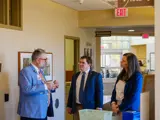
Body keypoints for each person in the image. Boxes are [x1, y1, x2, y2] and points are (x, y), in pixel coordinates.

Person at [17, 48, 59, 120]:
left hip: (42, 111)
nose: (47, 62)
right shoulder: (25, 72)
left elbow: (43, 89)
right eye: (45, 59)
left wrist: (52, 87)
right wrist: (46, 86)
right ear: (38, 60)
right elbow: (26, 90)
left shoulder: (40, 72)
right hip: (31, 114)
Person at [67, 56, 103, 120]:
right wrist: (69, 105)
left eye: (83, 63)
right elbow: (71, 91)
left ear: (89, 64)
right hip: (77, 107)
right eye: (80, 62)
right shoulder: (75, 76)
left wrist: (99, 106)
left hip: (90, 108)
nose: (80, 64)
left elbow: (99, 92)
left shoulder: (96, 76)